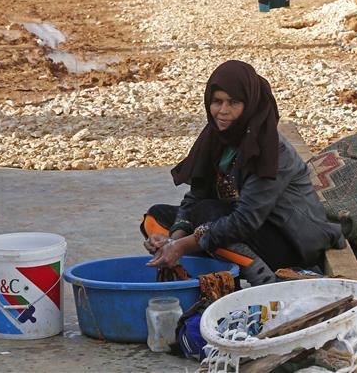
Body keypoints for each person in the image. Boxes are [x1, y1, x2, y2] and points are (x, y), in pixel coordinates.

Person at [142, 60, 345, 286]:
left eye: (234, 102)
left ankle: (265, 280)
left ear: (250, 104)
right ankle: (196, 270)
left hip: (290, 242)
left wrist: (181, 246)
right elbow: (196, 196)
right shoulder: (216, 138)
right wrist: (173, 238)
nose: (223, 111)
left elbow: (245, 220)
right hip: (245, 228)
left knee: (207, 216)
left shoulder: (270, 148)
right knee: (156, 217)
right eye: (217, 102)